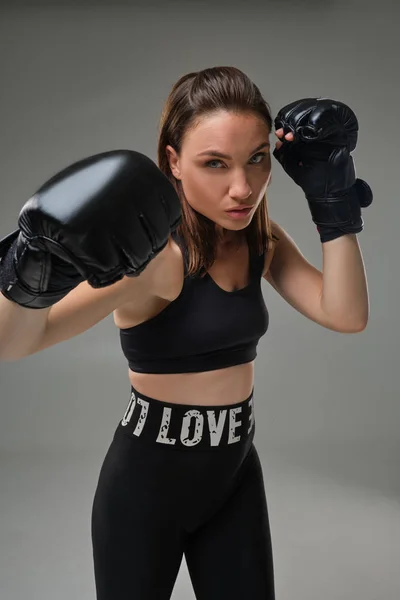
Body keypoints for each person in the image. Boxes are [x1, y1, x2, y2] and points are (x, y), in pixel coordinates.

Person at [0, 66, 371, 599]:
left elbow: (346, 314)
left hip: (235, 475)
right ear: (173, 162)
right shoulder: (160, 262)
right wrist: (27, 272)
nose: (242, 188)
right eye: (214, 164)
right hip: (144, 490)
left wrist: (334, 209)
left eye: (257, 159)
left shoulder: (259, 237)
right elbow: (17, 342)